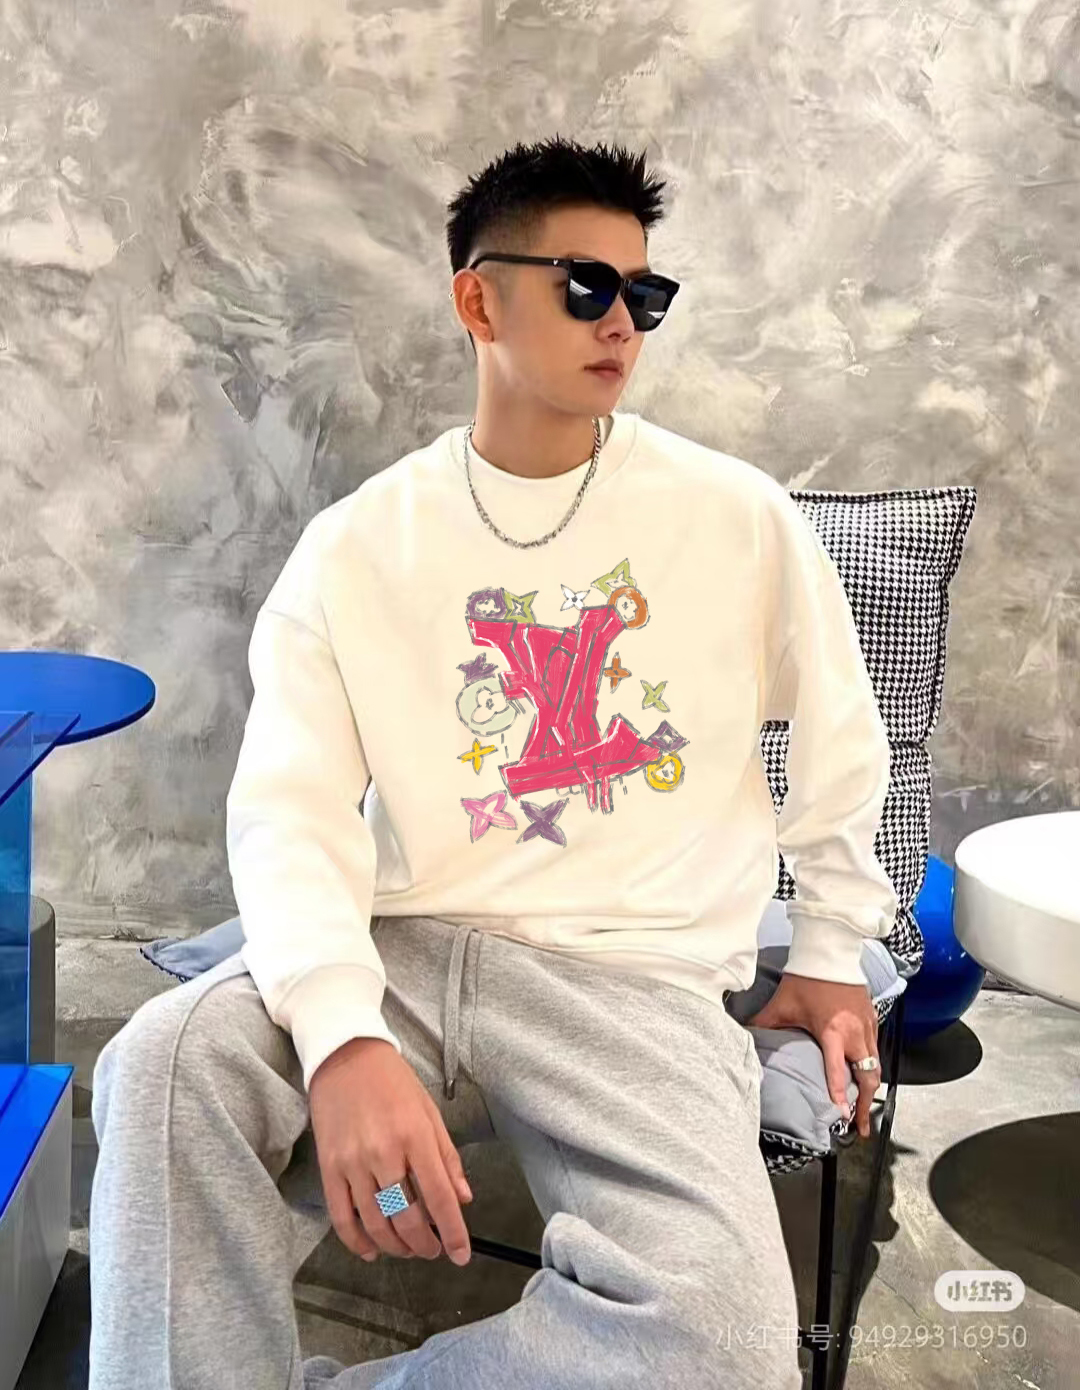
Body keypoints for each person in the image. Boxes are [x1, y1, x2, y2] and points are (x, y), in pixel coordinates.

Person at [89, 134, 894, 1389]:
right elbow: (292, 810)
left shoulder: (735, 518)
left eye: (645, 294)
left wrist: (834, 951)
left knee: (727, 1351)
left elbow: (843, 737)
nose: (621, 321)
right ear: (478, 300)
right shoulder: (360, 545)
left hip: (630, 977)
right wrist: (342, 1038)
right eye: (586, 285)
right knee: (165, 1062)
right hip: (404, 950)